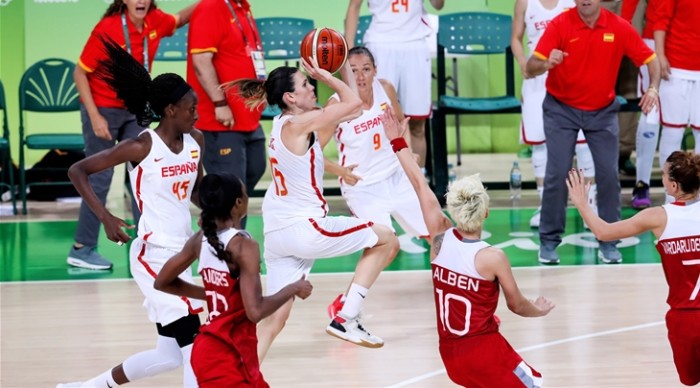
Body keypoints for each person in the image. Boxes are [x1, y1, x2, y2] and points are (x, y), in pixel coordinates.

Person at [226, 59, 399, 360]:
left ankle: (236, 378)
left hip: (277, 232)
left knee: (274, 320)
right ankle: (346, 316)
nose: (311, 86)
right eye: (305, 84)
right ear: (290, 98)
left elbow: (354, 112)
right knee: (387, 239)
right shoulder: (300, 123)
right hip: (303, 228)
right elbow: (355, 101)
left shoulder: (286, 126)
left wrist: (340, 170)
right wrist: (326, 74)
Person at [57, 39, 205, 388]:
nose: (196, 113)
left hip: (183, 251)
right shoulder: (140, 146)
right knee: (197, 343)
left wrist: (219, 207)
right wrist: (106, 217)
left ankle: (88, 387)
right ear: (170, 110)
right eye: (190, 106)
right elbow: (77, 171)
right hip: (154, 254)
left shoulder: (196, 140)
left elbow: (197, 194)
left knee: (167, 355)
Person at [380, 105, 555, 387]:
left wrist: (396, 141)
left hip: (450, 356)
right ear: (486, 213)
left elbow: (419, 185)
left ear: (453, 209)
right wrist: (539, 308)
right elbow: (517, 305)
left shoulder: (438, 238)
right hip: (482, 351)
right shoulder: (493, 258)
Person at [526, 0, 661, 265]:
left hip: (601, 111)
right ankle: (549, 241)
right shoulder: (560, 24)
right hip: (560, 109)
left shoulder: (618, 27)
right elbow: (530, 68)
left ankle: (609, 240)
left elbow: (651, 60)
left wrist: (653, 88)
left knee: (608, 173)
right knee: (557, 171)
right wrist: (545, 64)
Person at [69, 0, 196, 270]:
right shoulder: (109, 27)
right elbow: (80, 73)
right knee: (100, 177)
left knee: (145, 173)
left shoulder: (155, 20)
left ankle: (149, 242)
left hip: (135, 109)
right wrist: (94, 116)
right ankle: (82, 247)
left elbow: (180, 18)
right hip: (103, 107)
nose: (140, 0)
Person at [154, 173, 313, 387]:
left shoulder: (199, 240)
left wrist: (211, 294)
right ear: (238, 203)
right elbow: (255, 312)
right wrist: (293, 288)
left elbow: (162, 281)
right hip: (227, 355)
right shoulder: (244, 247)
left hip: (219, 351)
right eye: (245, 193)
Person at [567, 150, 700, 386]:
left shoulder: (658, 217)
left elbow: (604, 232)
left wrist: (581, 204)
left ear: (674, 185)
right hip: (686, 317)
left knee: (691, 380)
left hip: (685, 319)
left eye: (665, 175)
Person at [322, 46, 429, 258]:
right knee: (387, 248)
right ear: (344, 74)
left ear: (375, 70)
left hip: (398, 176)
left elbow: (401, 123)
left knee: (438, 231)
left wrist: (406, 151)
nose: (360, 76)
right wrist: (340, 171)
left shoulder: (386, 88)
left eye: (366, 69)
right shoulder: (336, 104)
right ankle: (356, 292)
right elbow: (311, 152)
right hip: (363, 186)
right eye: (353, 70)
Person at [511, 0, 597, 229]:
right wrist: (523, 63)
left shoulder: (573, 2)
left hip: (572, 76)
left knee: (583, 144)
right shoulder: (524, 3)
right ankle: (545, 205)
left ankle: (590, 205)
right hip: (538, 78)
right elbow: (515, 39)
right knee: (540, 145)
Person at [187, 0, 267, 227]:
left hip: (248, 118)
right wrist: (219, 102)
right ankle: (229, 251)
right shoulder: (211, 7)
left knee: (253, 171)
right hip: (221, 119)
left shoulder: (242, 7)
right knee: (232, 190)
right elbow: (201, 62)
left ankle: (215, 218)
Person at [344, 0, 445, 173]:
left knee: (417, 123)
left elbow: (438, 5)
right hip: (381, 44)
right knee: (380, 121)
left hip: (415, 44)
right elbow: (354, 6)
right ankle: (381, 175)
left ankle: (419, 181)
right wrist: (349, 51)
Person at [653, 0, 700, 204]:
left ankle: (696, 198)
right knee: (672, 133)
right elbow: (659, 20)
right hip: (676, 68)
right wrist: (660, 55)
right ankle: (670, 199)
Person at [620, 0, 661, 209]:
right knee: (651, 109)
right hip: (653, 39)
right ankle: (642, 183)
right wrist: (623, 25)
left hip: (690, 40)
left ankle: (691, 185)